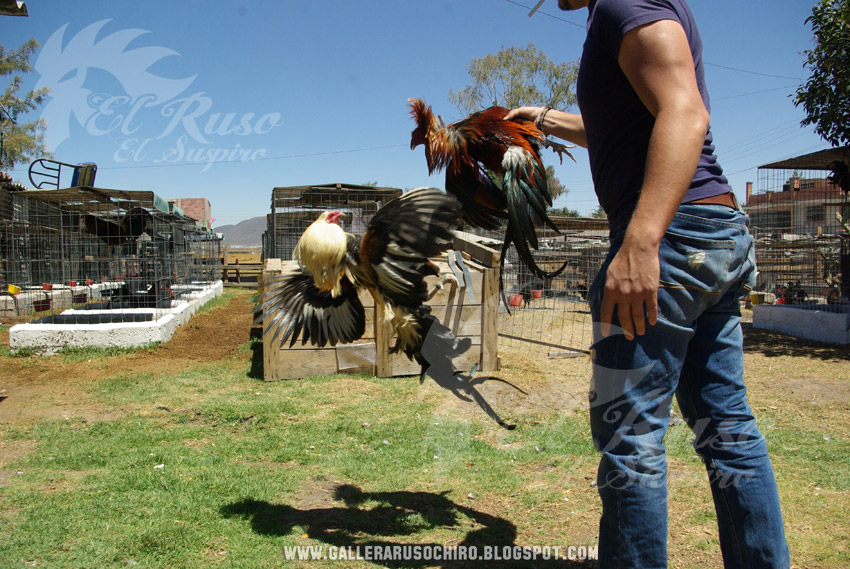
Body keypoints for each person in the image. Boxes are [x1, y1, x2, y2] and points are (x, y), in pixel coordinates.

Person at [507, 1, 790, 567]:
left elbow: (684, 113)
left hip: (672, 235)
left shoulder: (623, 1)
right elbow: (625, 123)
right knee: (725, 425)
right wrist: (545, 118)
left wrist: (641, 242)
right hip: (707, 232)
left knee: (629, 435)